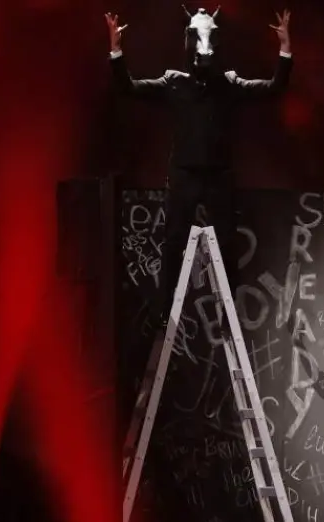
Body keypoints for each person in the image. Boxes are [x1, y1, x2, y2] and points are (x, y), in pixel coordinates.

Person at [104, 7, 292, 305]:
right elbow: (128, 87)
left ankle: (230, 307)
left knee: (226, 242)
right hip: (184, 175)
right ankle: (166, 306)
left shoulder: (228, 84)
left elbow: (273, 87)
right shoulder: (175, 83)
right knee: (174, 239)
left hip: (218, 175)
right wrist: (116, 50)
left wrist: (284, 48)